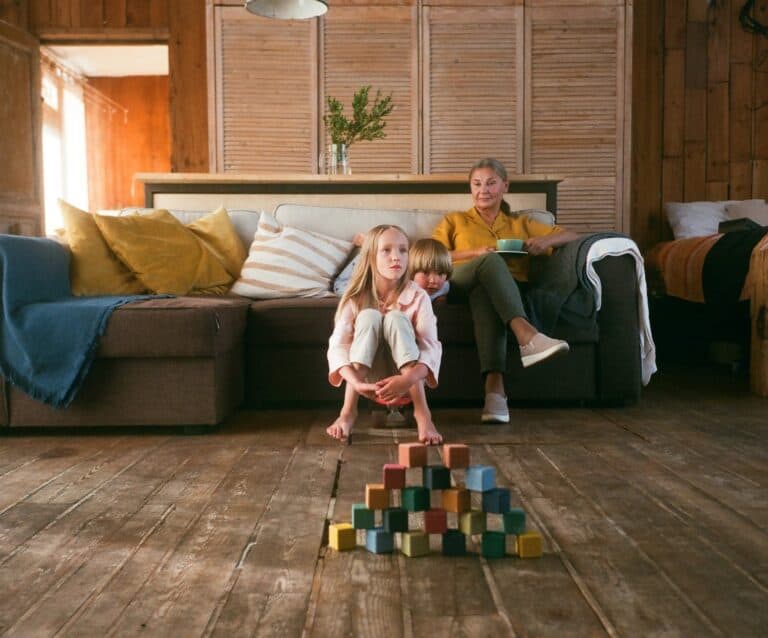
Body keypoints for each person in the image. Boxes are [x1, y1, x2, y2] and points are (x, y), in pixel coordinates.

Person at [431, 158, 579, 424]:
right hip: (460, 282)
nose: (483, 190)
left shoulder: (520, 224)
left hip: (503, 292)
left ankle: (495, 394)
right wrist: (475, 253)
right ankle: (527, 335)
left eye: (490, 183)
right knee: (489, 261)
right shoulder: (455, 220)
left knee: (485, 294)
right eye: (476, 184)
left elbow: (572, 236)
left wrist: (543, 241)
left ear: (505, 186)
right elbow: (433, 256)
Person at [326, 225, 443, 445]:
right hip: (367, 380)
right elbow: (338, 346)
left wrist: (407, 379)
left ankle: (423, 414)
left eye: (402, 250)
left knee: (396, 318)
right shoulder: (355, 297)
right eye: (386, 250)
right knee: (369, 316)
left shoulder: (419, 296)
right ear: (371, 255)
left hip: (407, 380)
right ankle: (347, 413)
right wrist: (356, 383)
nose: (396, 257)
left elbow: (430, 347)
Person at [408, 238, 452, 302]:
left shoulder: (444, 286)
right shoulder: (405, 290)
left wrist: (440, 298)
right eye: (426, 273)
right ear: (411, 273)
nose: (433, 281)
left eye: (440, 273)